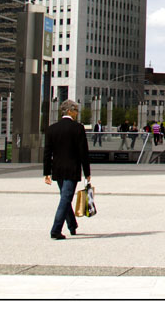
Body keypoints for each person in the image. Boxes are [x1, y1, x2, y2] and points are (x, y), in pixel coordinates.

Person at [43, 99, 92, 240]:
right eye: (76, 110)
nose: (77, 113)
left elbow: (47, 152)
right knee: (66, 198)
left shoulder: (52, 128)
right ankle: (56, 229)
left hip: (57, 169)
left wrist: (47, 172)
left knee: (65, 197)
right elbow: (83, 152)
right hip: (72, 169)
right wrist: (87, 172)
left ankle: (72, 225)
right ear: (69, 111)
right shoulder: (78, 128)